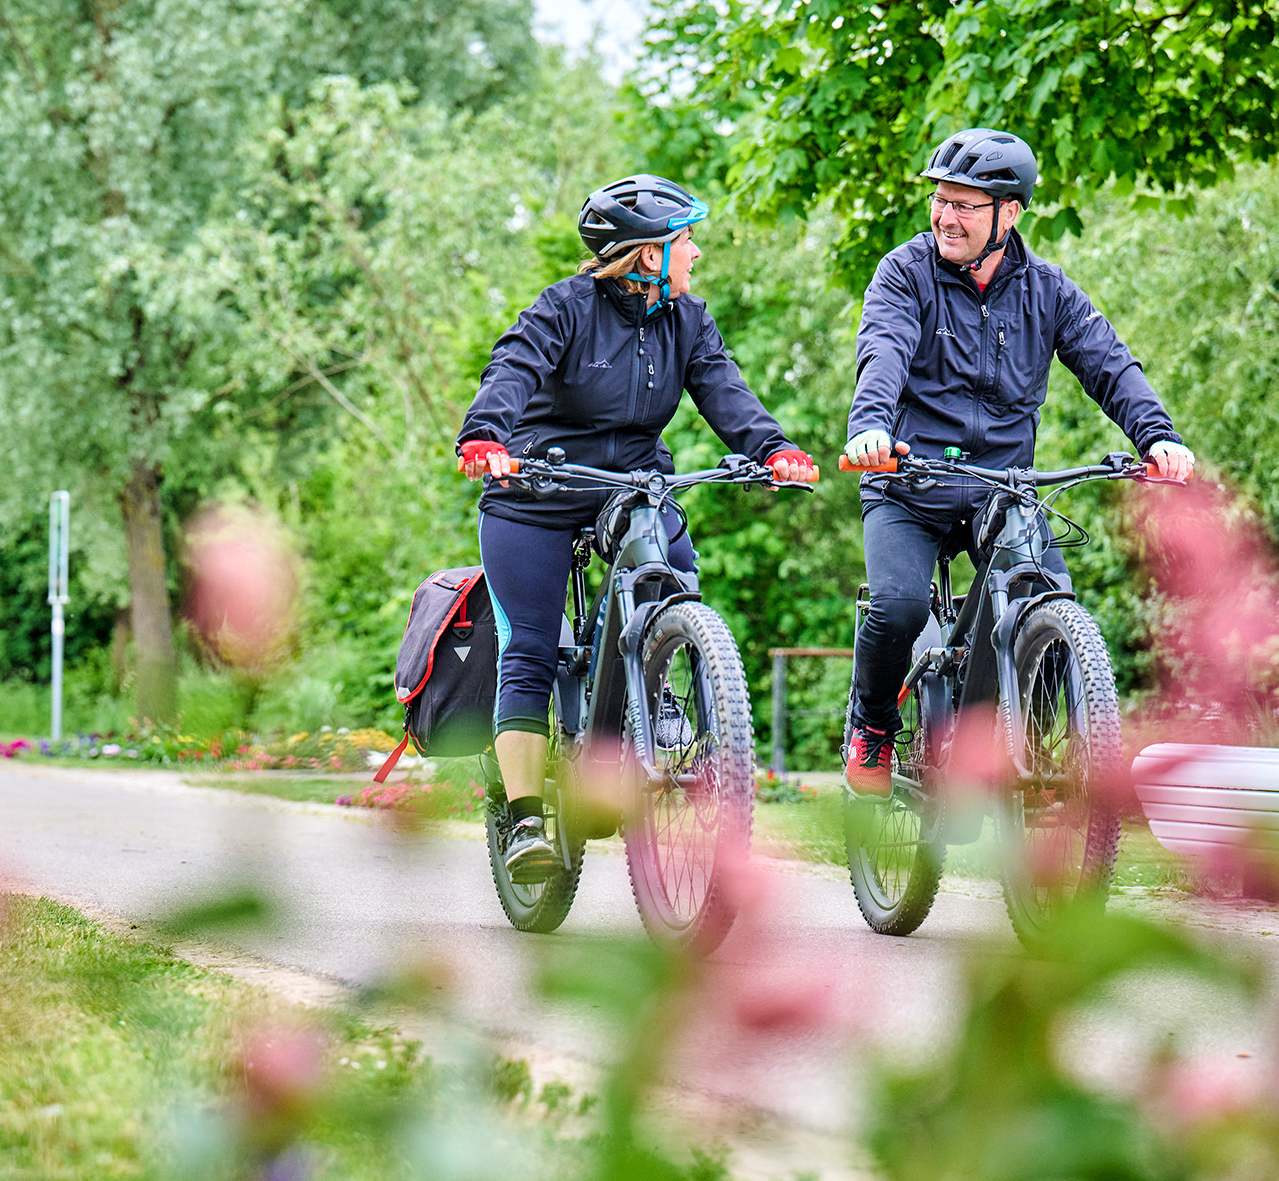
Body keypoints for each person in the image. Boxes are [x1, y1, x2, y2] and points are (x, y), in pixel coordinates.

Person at [458, 173, 817, 879]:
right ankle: (527, 818)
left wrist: (772, 449)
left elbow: (724, 388)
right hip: (537, 486)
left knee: (676, 580)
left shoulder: (689, 321)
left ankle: (659, 696)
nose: (696, 253)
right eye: (686, 240)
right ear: (649, 254)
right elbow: (513, 367)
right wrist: (486, 437)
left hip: (632, 486)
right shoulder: (564, 308)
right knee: (528, 647)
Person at [843, 128, 1194, 793]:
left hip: (1000, 491)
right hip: (907, 483)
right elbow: (882, 351)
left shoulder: (1048, 291)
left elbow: (1109, 364)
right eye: (940, 201)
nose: (946, 216)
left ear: (1010, 213)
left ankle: (1031, 763)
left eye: (964, 205)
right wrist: (870, 429)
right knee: (897, 607)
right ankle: (874, 723)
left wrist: (1157, 437)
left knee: (1047, 601)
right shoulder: (904, 273)